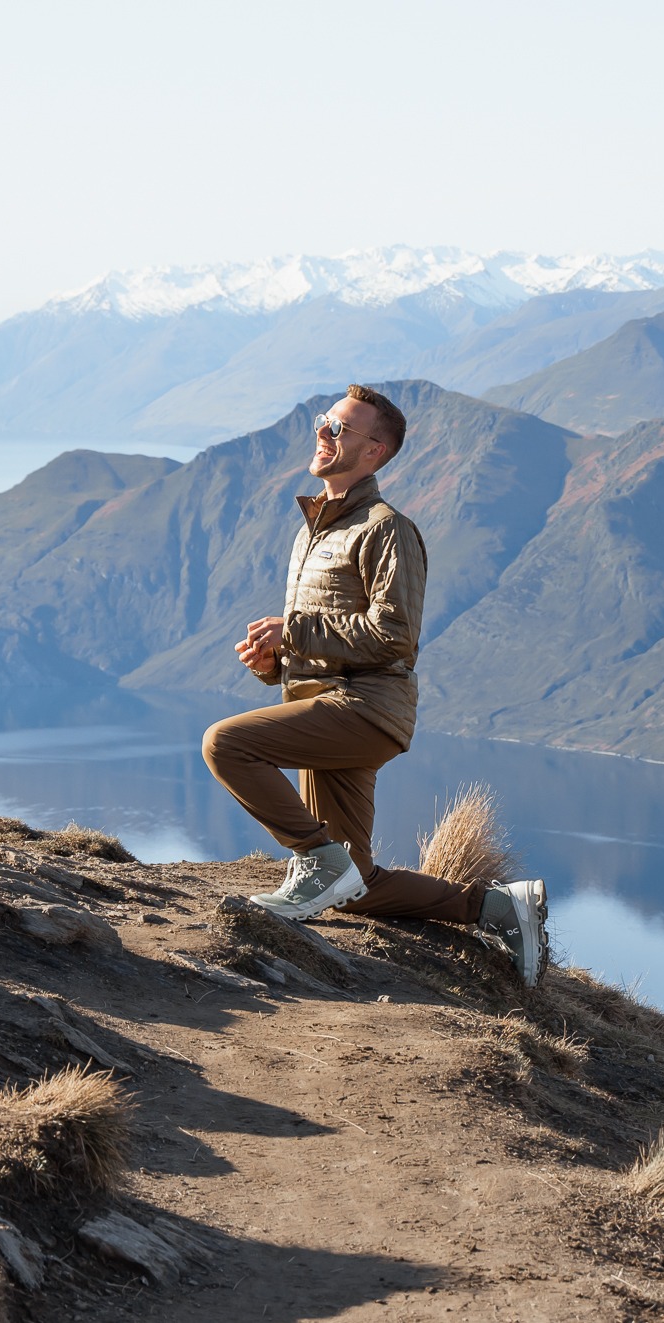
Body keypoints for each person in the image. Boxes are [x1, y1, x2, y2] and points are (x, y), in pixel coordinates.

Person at [201, 384, 551, 983]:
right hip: (326, 709)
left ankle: (315, 859)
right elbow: (325, 637)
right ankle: (498, 907)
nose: (322, 433)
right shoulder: (315, 529)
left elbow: (394, 636)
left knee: (226, 744)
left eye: (338, 428)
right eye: (323, 421)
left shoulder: (387, 529)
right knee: (354, 888)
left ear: (374, 451)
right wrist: (275, 662)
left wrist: (296, 632)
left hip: (364, 711)